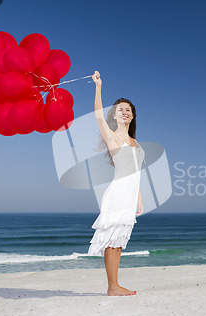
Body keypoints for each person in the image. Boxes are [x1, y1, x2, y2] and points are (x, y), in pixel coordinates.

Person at [87, 70, 144, 296]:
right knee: (112, 240)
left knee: (119, 241)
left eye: (127, 110)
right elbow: (99, 116)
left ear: (132, 116)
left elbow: (136, 173)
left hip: (130, 196)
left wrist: (139, 199)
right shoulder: (112, 136)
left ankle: (115, 285)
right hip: (117, 194)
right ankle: (112, 287)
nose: (124, 112)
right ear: (115, 115)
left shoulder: (135, 141)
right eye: (120, 109)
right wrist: (98, 86)